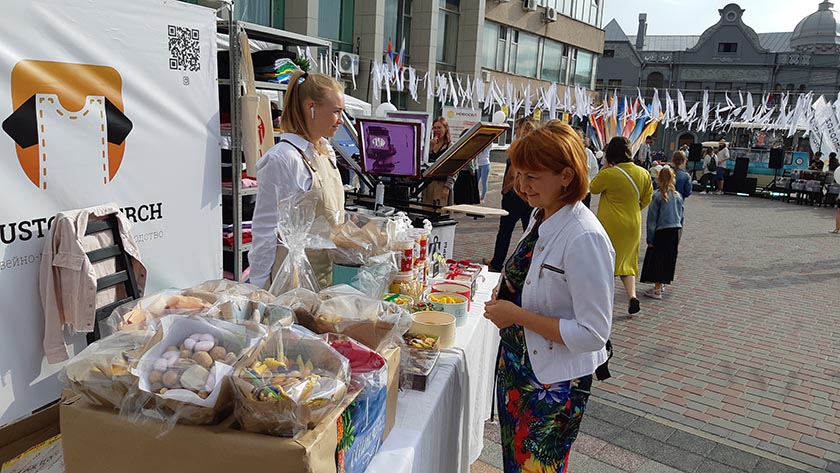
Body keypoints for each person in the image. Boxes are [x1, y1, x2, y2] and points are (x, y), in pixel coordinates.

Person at [483, 122, 614, 473]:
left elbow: (593, 333)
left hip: (552, 383)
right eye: (518, 174)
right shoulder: (541, 217)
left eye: (532, 177)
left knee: (538, 468)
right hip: (518, 368)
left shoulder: (584, 237)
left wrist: (516, 314)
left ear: (566, 176)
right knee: (515, 463)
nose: (521, 187)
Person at [249, 71, 346, 290]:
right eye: (336, 112)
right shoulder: (283, 158)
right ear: (311, 108)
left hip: (325, 275)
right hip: (293, 281)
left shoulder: (325, 151)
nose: (340, 120)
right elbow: (265, 229)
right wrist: (259, 288)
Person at [590, 136, 653, 314]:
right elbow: (647, 198)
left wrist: (604, 166)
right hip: (633, 223)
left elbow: (593, 188)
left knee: (605, 261)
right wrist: (634, 208)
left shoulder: (610, 173)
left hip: (610, 224)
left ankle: (603, 301)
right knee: (627, 262)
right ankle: (632, 296)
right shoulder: (643, 173)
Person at [483, 118, 537, 272]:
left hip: (515, 195)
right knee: (529, 232)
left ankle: (497, 263)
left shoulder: (519, 146)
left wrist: (505, 189)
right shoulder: (535, 147)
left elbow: (512, 172)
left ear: (523, 128)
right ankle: (527, 265)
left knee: (505, 231)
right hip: (528, 195)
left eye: (517, 128)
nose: (514, 132)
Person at [640, 166, 684, 299]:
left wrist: (650, 239)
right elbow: (682, 217)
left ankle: (657, 288)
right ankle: (663, 283)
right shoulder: (678, 196)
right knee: (668, 258)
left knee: (657, 259)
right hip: (674, 230)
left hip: (661, 231)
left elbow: (652, 220)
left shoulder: (658, 196)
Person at [424, 117, 456, 208]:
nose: (436, 130)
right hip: (428, 184)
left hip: (442, 184)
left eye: (439, 127)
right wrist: (429, 148)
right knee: (427, 211)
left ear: (445, 129)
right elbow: (424, 163)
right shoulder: (430, 144)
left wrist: (447, 187)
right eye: (434, 128)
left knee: (440, 211)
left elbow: (454, 168)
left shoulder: (450, 146)